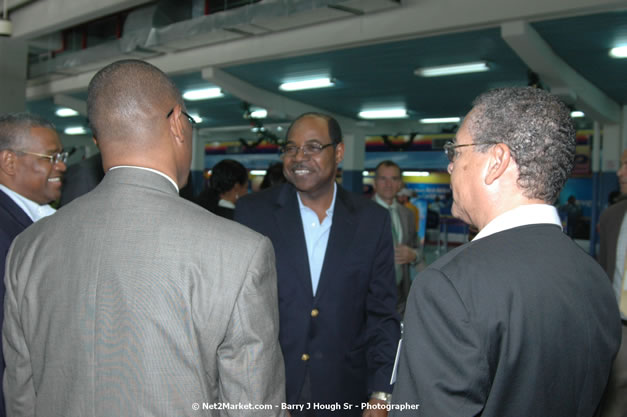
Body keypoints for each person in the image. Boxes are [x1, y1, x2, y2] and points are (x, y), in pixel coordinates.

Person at [3, 59, 286, 416]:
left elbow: (21, 397)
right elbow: (252, 407)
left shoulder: (28, 247)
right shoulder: (240, 253)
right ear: (177, 124)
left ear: (98, 138)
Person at [390, 87, 621, 417]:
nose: (451, 166)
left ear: (496, 161)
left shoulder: (448, 287)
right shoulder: (594, 279)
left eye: (455, 151)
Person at [235, 112, 400, 417]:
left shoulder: (371, 221)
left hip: (344, 392)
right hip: (270, 392)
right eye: (291, 148)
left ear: (338, 152)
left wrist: (381, 393)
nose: (299, 157)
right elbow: (235, 312)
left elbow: (382, 314)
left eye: (312, 147)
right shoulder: (252, 213)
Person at [0, 112, 67, 416]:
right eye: (51, 157)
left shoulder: (39, 218)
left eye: (62, 156)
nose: (62, 166)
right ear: (9, 162)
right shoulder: (7, 230)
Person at [596, 149, 627, 417]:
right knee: (614, 394)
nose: (620, 172)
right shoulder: (611, 218)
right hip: (619, 326)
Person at [373, 161, 420, 315]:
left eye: (393, 179)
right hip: (371, 297)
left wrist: (413, 255)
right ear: (375, 183)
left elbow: (418, 248)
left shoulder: (407, 215)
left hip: (401, 296)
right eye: (383, 179)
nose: (388, 184)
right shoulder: (360, 215)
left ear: (400, 184)